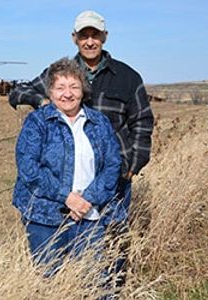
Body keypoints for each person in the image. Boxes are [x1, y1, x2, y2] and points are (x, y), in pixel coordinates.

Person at [9, 10, 154, 283]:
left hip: (114, 177)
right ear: (74, 38)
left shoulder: (127, 77)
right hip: (61, 183)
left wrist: (133, 166)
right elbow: (17, 93)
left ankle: (113, 289)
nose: (90, 41)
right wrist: (43, 103)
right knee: (60, 257)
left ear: (104, 37)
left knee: (111, 246)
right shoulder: (59, 73)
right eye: (84, 35)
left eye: (95, 35)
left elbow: (143, 122)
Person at [12, 57, 121, 275]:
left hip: (88, 215)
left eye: (74, 86)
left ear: (83, 90)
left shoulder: (99, 122)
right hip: (44, 218)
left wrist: (87, 200)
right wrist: (67, 197)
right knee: (50, 281)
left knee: (95, 281)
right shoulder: (38, 122)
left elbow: (112, 165)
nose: (67, 94)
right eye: (60, 87)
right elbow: (28, 168)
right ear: (50, 92)